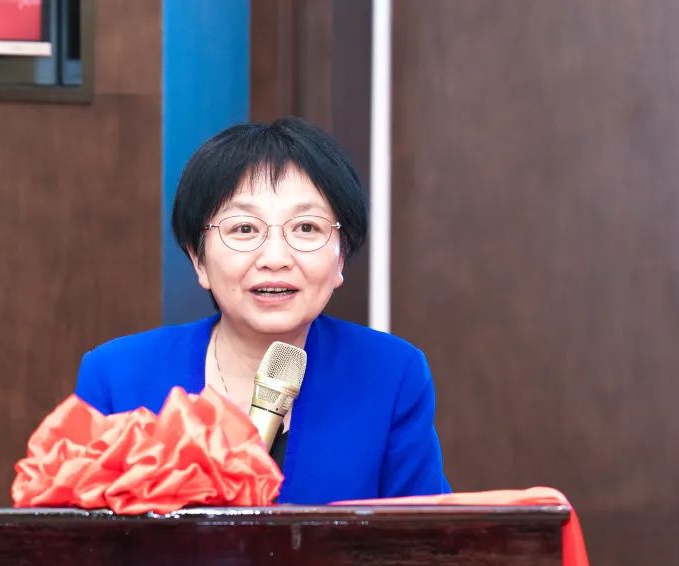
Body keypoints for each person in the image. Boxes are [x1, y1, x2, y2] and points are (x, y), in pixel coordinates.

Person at [75, 118, 449, 503]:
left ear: (341, 257)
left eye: (306, 227)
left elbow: (425, 533)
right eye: (244, 229)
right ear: (198, 259)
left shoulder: (391, 374)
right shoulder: (116, 376)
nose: (275, 258)